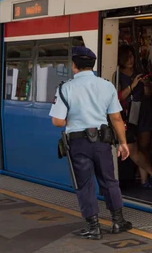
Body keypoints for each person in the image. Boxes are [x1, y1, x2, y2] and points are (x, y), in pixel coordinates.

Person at [49, 46, 132, 240]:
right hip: (103, 142)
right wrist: (123, 143)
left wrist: (78, 119)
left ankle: (93, 227)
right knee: (109, 181)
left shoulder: (65, 88)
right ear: (92, 65)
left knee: (85, 184)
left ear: (74, 65)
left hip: (78, 144)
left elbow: (57, 121)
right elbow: (116, 119)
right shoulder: (107, 85)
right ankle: (118, 221)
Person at [116, 44, 152, 188]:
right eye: (127, 58)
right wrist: (133, 85)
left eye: (132, 57)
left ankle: (145, 181)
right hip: (128, 115)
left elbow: (147, 96)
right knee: (134, 149)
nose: (130, 60)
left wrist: (147, 86)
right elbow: (119, 97)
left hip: (144, 112)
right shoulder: (117, 75)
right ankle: (151, 175)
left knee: (145, 147)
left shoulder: (138, 72)